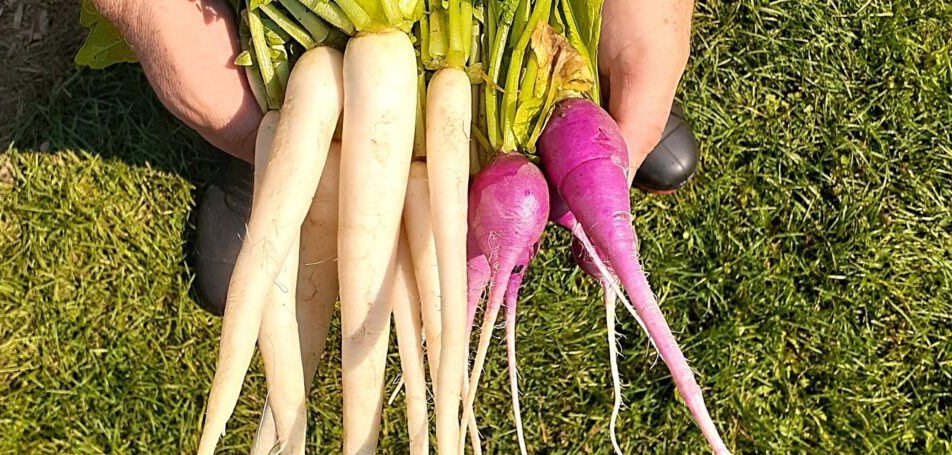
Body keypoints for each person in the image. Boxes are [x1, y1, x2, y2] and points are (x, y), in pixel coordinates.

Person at [93, 0, 699, 315]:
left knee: (612, 109)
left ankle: (568, 101)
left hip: (502, 52)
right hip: (307, 69)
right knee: (288, 114)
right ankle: (281, 155)